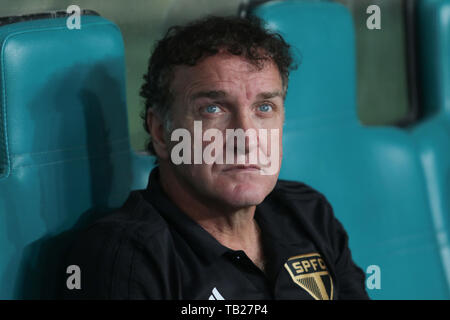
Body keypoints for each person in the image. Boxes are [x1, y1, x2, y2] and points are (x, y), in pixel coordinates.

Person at [63, 15, 368, 300]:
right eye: (213, 109)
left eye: (264, 108)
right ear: (161, 132)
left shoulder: (307, 211)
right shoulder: (128, 257)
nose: (247, 138)